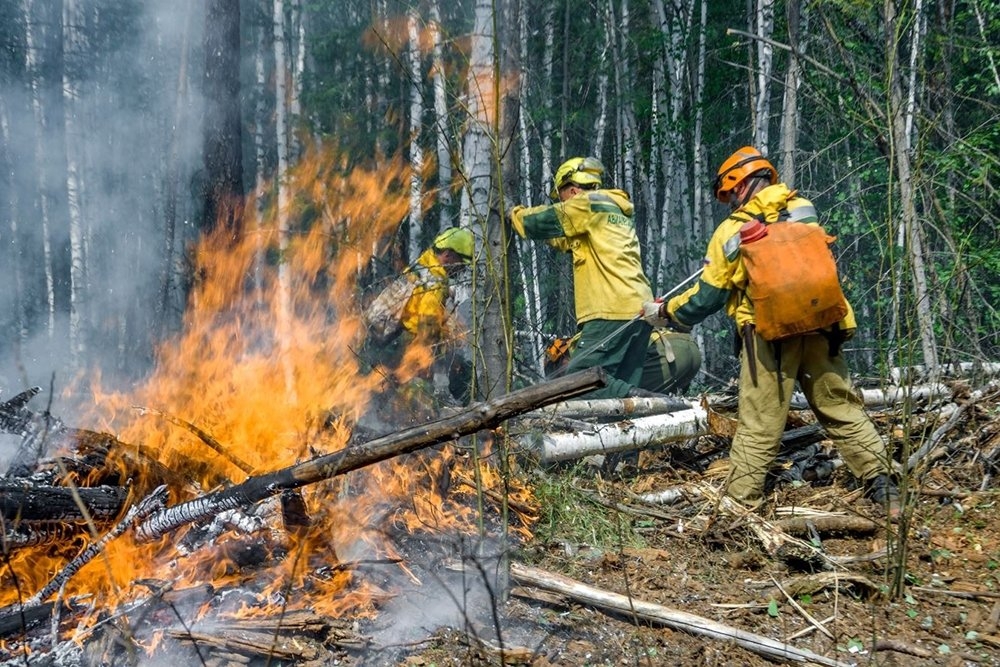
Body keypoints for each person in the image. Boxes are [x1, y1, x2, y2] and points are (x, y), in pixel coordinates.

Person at [641, 146, 900, 516]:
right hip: (822, 325)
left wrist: (666, 311)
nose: (729, 201)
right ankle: (884, 486)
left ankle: (739, 507)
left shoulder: (731, 230)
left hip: (769, 334)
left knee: (760, 422)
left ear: (740, 183)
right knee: (840, 405)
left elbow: (709, 296)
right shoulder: (803, 208)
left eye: (729, 193)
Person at [510, 157, 655, 399]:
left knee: (579, 383)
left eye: (561, 200)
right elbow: (565, 238)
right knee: (616, 388)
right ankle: (636, 414)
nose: (562, 205)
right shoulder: (610, 209)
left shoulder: (585, 204)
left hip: (611, 310)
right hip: (640, 308)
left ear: (573, 190)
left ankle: (651, 400)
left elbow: (537, 222)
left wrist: (512, 213)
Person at [363, 226, 474, 405]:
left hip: (379, 332)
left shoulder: (425, 263)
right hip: (398, 340)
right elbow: (427, 335)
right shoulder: (434, 286)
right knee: (413, 390)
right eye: (461, 262)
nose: (461, 269)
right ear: (448, 255)